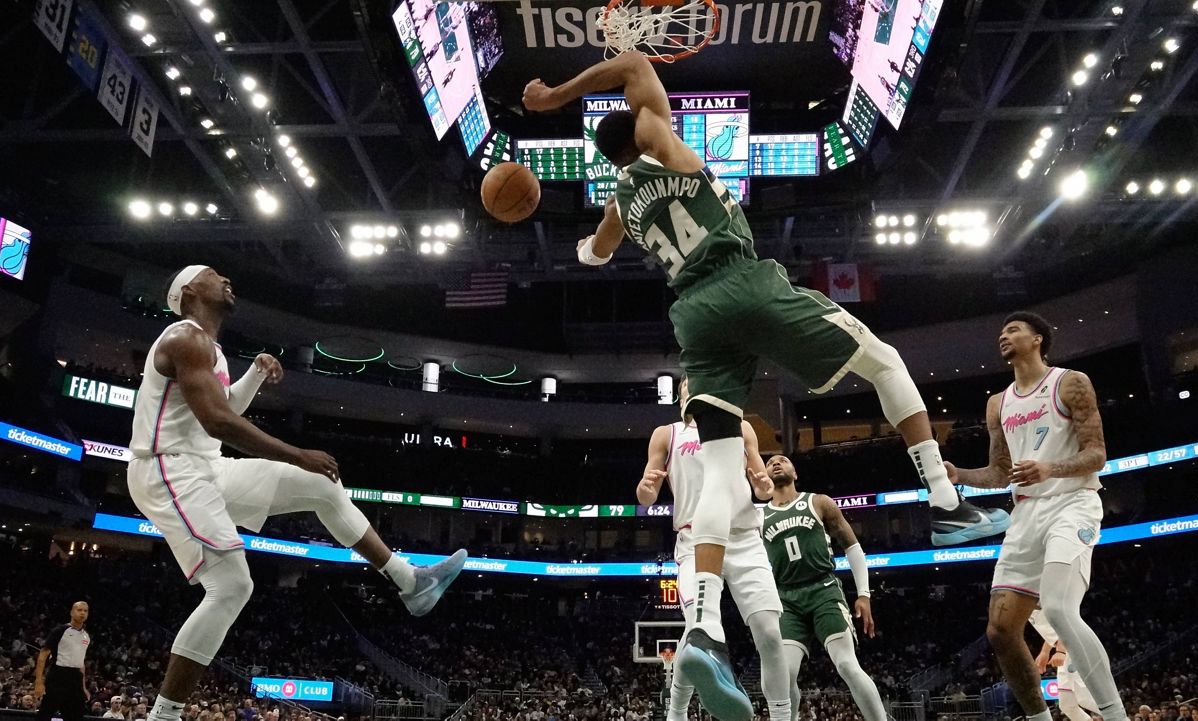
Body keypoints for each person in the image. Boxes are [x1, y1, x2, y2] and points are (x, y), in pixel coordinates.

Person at [523, 50, 1008, 719]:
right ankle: (947, 498)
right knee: (884, 361)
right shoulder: (662, 141)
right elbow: (633, 64)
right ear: (640, 127)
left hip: (692, 317)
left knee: (721, 478)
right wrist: (554, 97)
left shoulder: (622, 202)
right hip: (740, 281)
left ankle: (700, 628)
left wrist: (577, 234)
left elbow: (594, 252)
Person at [128, 266, 468, 721]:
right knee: (232, 585)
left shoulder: (211, 350)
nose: (228, 278)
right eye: (215, 275)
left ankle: (411, 583)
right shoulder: (183, 339)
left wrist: (252, 376)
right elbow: (218, 422)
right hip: (167, 469)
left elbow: (222, 410)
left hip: (205, 467)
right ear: (190, 292)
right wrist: (294, 454)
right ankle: (164, 715)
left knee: (320, 486)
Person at [945, 312, 1125, 721]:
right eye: (1001, 332)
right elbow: (998, 472)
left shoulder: (1070, 382)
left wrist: (1050, 468)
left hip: (1072, 500)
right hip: (1025, 513)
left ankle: (1116, 716)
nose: (1003, 336)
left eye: (1013, 330)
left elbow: (1097, 453)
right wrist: (960, 476)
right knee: (1001, 630)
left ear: (1038, 339)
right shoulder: (998, 404)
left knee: (1059, 608)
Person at [637, 378, 787, 721]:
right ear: (681, 399)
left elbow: (762, 488)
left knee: (769, 633)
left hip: (744, 537)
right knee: (697, 630)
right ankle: (677, 711)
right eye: (690, 386)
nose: (698, 388)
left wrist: (762, 485)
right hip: (695, 540)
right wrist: (646, 488)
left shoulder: (741, 426)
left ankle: (782, 715)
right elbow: (647, 494)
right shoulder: (667, 433)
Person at [759, 455, 888, 721]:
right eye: (770, 462)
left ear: (795, 473)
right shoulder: (757, 516)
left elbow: (852, 546)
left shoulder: (818, 502)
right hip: (785, 598)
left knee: (847, 665)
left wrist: (863, 593)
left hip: (823, 589)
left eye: (783, 460)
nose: (776, 463)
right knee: (783, 675)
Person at [1029, 609, 1098, 721]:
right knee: (1067, 705)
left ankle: (1119, 717)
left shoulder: (1040, 596)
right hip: (1065, 647)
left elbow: (1064, 621)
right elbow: (1053, 631)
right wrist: (1045, 652)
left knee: (1084, 698)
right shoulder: (1025, 602)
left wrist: (1060, 651)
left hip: (1073, 644)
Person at [33, 602, 91, 721]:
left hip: (75, 679)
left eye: (85, 611)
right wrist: (39, 681)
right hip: (58, 676)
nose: (82, 613)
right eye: (79, 610)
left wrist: (83, 687)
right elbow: (43, 654)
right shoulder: (60, 630)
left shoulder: (86, 636)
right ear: (71, 612)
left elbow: (81, 662)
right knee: (45, 714)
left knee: (75, 716)